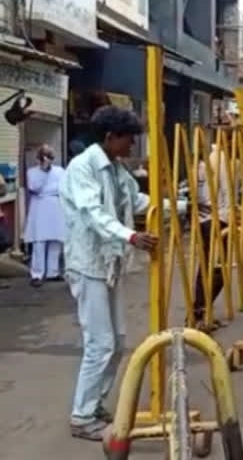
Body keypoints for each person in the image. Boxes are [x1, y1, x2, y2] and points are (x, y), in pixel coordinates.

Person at [60, 106, 158, 441]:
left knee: (115, 342)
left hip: (110, 263)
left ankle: (94, 404)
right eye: (129, 140)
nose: (132, 147)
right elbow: (93, 213)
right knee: (99, 343)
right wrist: (131, 235)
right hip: (88, 264)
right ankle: (82, 415)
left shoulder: (116, 170)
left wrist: (183, 205)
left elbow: (138, 200)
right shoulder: (82, 168)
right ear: (110, 137)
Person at [191, 142, 236, 330]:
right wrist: (229, 215)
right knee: (215, 269)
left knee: (211, 268)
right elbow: (226, 194)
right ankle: (197, 313)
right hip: (216, 220)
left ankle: (202, 312)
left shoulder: (209, 161)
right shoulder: (221, 160)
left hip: (206, 219)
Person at [24, 145, 67, 286]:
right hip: (40, 206)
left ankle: (52, 272)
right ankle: (37, 274)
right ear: (38, 159)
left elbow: (64, 187)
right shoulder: (32, 172)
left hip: (55, 205)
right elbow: (34, 187)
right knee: (39, 241)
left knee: (56, 241)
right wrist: (43, 170)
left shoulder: (60, 171)